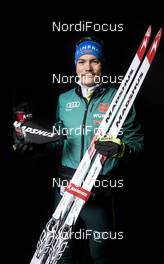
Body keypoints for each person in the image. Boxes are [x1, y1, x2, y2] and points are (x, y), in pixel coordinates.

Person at [13, 36, 144, 264]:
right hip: (65, 188)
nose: (88, 67)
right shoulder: (64, 99)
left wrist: (121, 149)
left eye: (94, 61)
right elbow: (60, 138)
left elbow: (137, 144)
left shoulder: (120, 99)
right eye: (82, 61)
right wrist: (34, 146)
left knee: (101, 255)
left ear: (103, 63)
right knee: (62, 254)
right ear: (75, 65)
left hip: (99, 191)